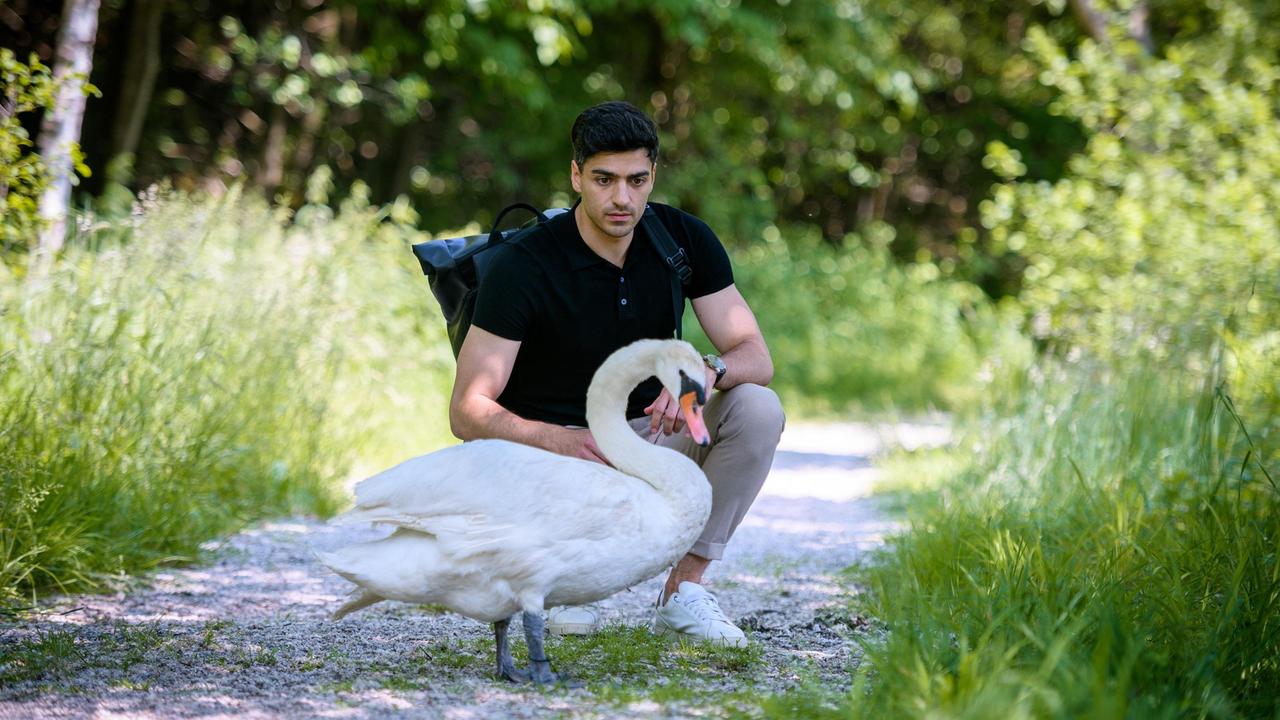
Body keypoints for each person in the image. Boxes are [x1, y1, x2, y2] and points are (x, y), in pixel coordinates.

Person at [448, 101, 785, 647]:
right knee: (562, 596)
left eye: (636, 179)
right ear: (576, 175)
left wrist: (704, 370)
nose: (621, 198)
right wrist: (559, 439)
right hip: (554, 459)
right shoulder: (524, 266)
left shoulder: (682, 240)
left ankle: (685, 593)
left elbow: (755, 356)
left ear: (655, 175)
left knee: (756, 407)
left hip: (649, 438)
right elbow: (467, 410)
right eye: (604, 179)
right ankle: (556, 581)